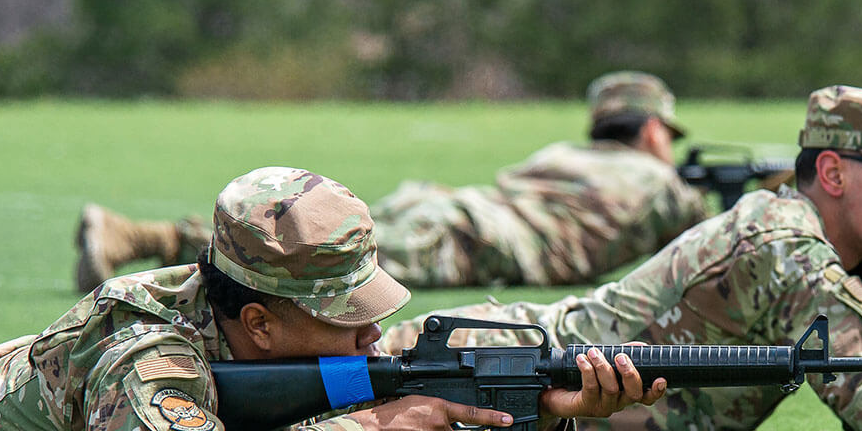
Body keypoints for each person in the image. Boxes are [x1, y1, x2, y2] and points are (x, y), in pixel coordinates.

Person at [0, 167, 663, 431]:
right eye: (347, 316)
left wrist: (537, 426)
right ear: (258, 324)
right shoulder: (142, 345)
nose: (373, 334)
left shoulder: (325, 364)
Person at [379, 86, 862, 431]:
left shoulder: (791, 236)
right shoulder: (787, 250)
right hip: (487, 363)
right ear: (834, 171)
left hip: (513, 366)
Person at [72, 71, 708, 293]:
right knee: (306, 263)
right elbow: (715, 244)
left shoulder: (564, 153)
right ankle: (144, 242)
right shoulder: (660, 185)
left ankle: (138, 238)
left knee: (304, 228)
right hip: (469, 239)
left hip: (450, 207)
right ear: (653, 132)